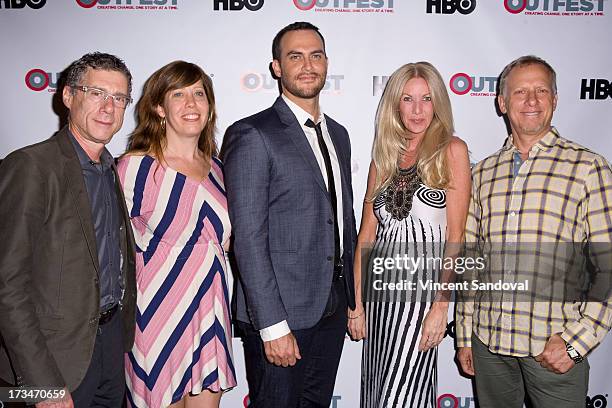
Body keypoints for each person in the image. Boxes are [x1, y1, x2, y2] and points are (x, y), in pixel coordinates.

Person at [455, 55, 612, 407]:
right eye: (520, 92)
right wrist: (465, 335)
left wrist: (577, 341)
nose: (531, 101)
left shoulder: (588, 167)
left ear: (554, 100)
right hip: (489, 344)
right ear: (501, 102)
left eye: (541, 91)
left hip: (552, 346)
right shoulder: (483, 173)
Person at [221, 21, 357, 407]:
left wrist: (352, 300)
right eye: (295, 56)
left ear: (327, 62)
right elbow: (247, 238)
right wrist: (271, 325)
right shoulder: (252, 133)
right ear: (277, 67)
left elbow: (341, 222)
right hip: (280, 314)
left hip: (331, 307)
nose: (308, 65)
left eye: (316, 55)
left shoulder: (339, 134)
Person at [0, 52, 137, 407]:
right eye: (96, 93)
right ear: (67, 96)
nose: (109, 107)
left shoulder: (111, 169)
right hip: (52, 361)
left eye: (119, 98)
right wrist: (42, 383)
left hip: (108, 349)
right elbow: (7, 285)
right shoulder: (30, 167)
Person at [347, 62, 471, 407]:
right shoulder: (383, 158)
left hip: (420, 302)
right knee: (377, 393)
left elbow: (457, 237)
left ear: (438, 104)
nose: (417, 110)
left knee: (402, 397)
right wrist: (356, 304)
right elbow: (366, 238)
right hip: (378, 300)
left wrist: (440, 307)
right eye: (408, 99)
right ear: (395, 105)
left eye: (426, 99)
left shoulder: (452, 150)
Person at [118, 61, 236, 408]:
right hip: (155, 315)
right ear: (159, 107)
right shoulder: (135, 168)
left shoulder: (219, 169)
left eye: (199, 93)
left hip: (209, 312)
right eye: (178, 94)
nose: (191, 103)